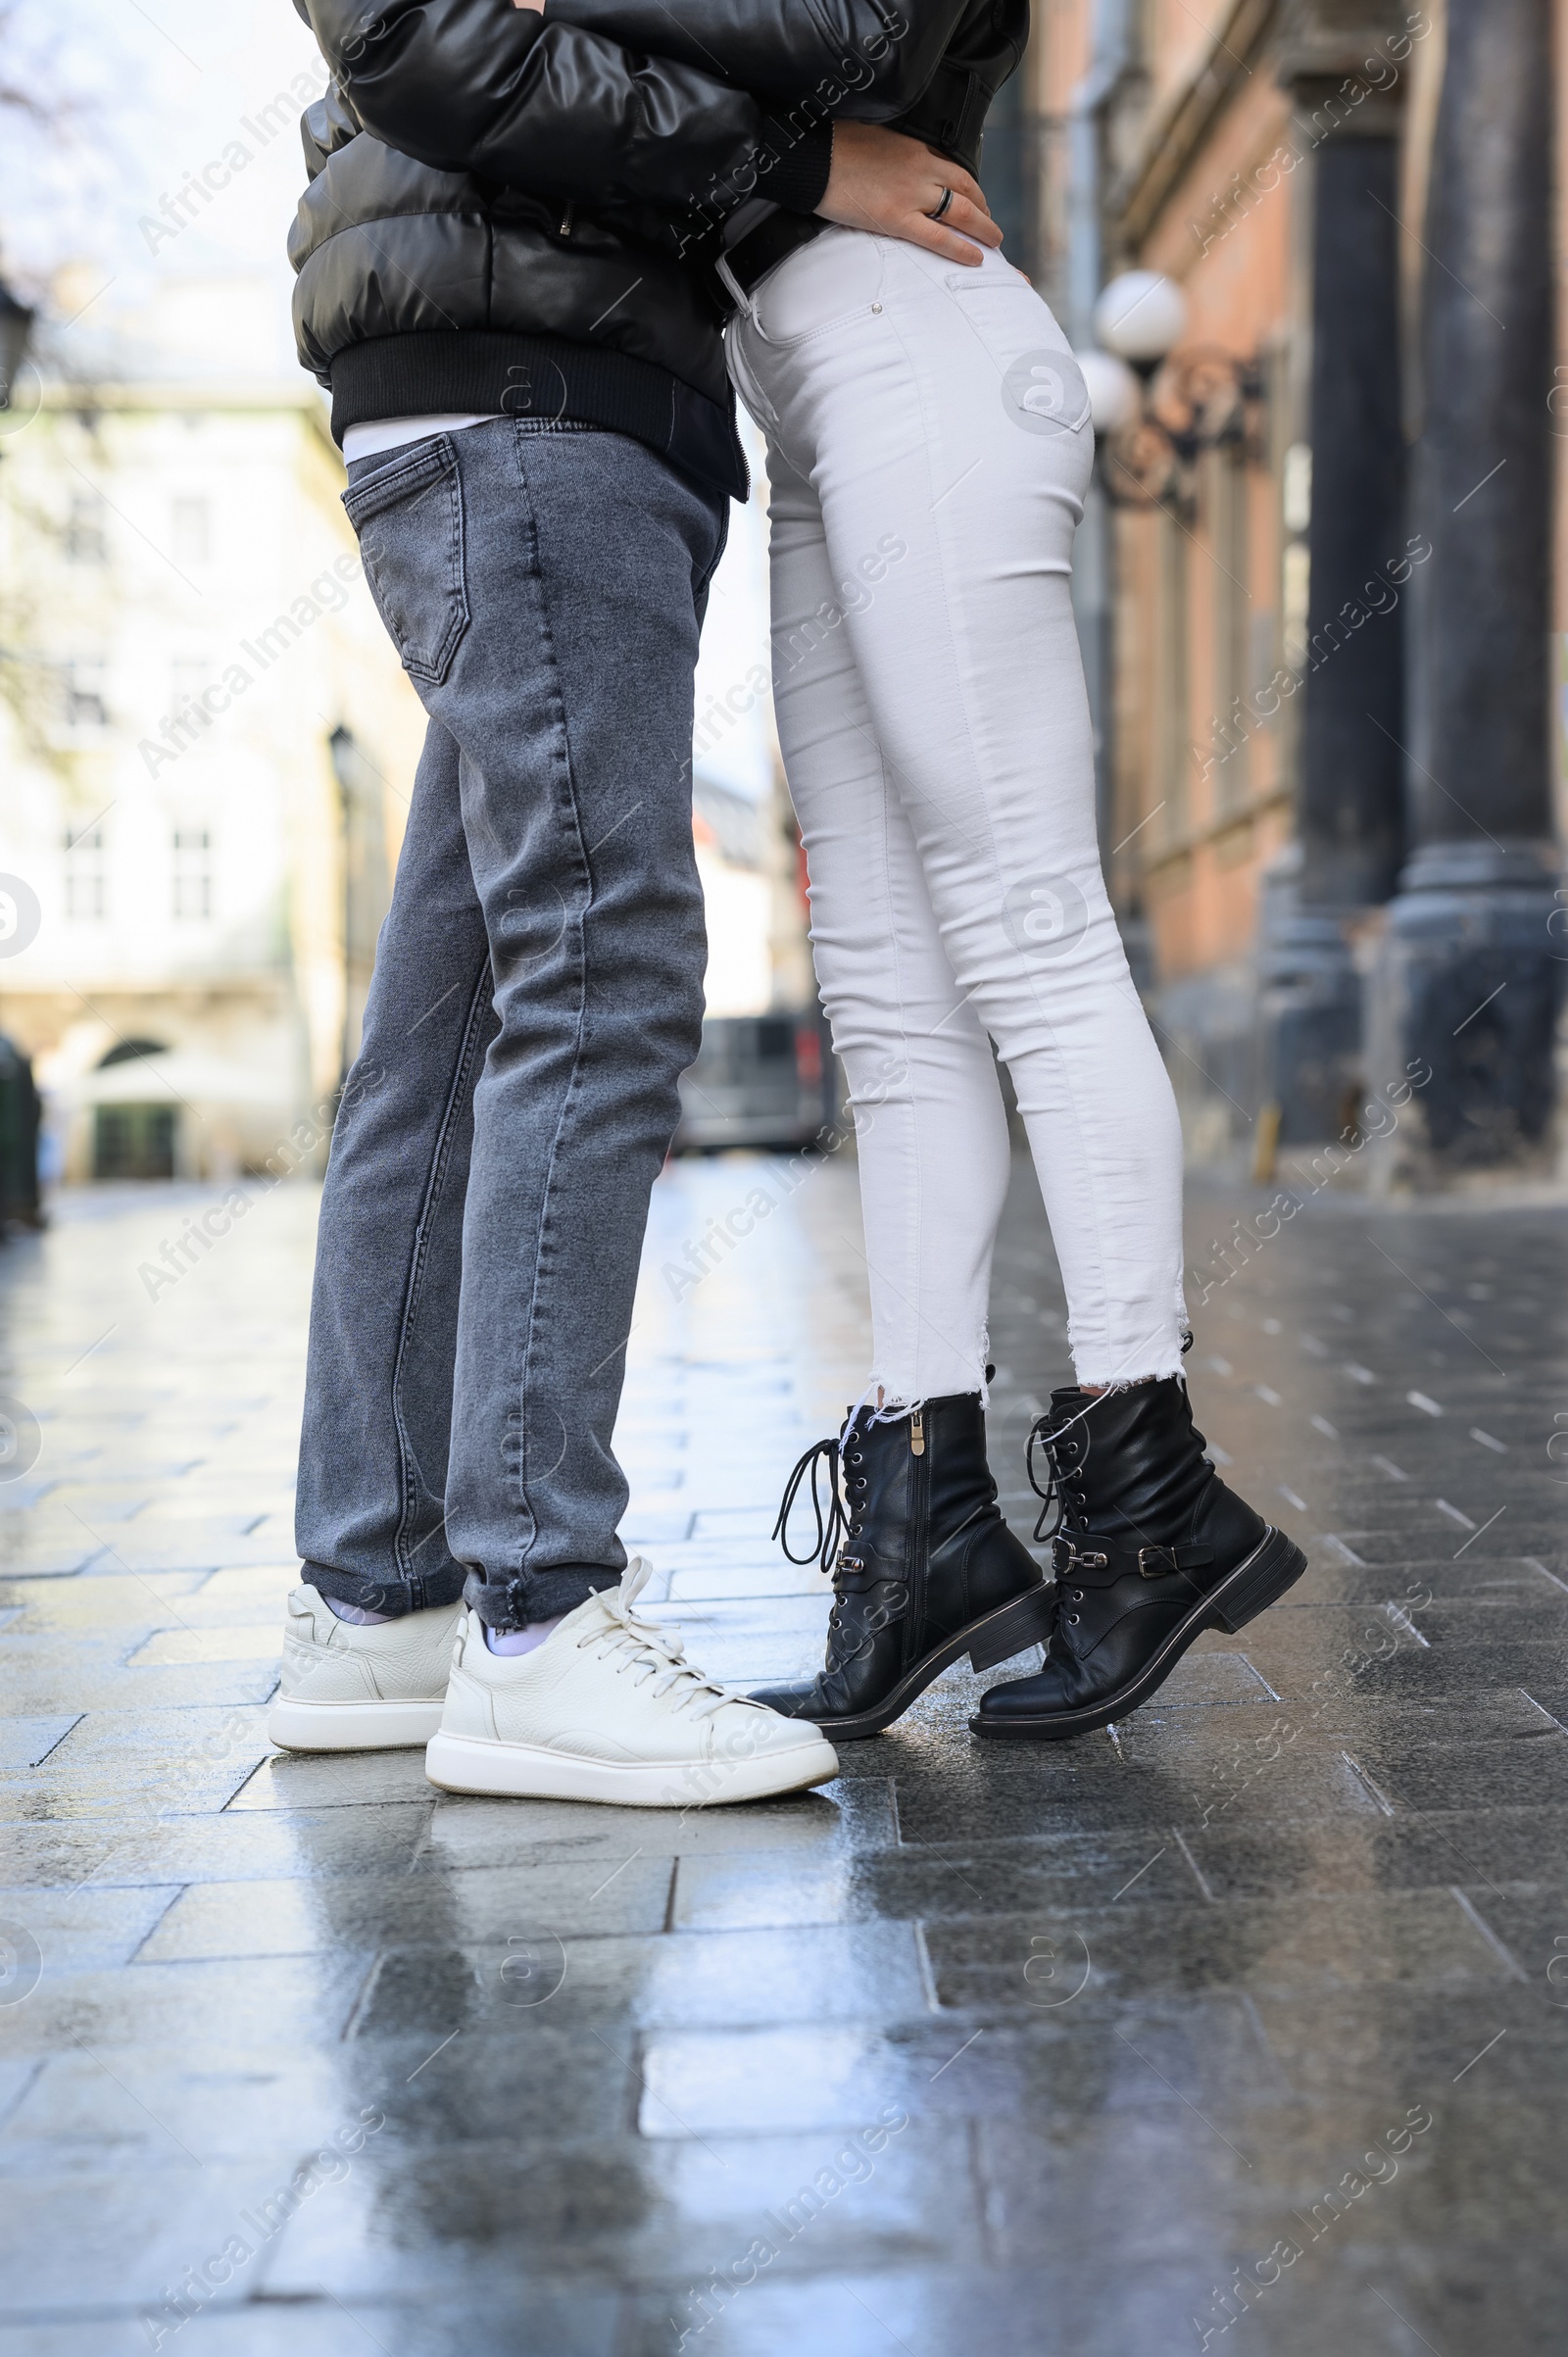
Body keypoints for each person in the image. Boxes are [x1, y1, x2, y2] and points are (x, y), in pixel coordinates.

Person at [533, 0, 1308, 1743]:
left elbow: (859, 21)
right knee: (884, 988)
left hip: (921, 345)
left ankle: (1147, 1492)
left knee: (1028, 928)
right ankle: (927, 1517)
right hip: (806, 372)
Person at [267, 0, 973, 1803]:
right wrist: (807, 158)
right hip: (528, 395)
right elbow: (425, 39)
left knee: (461, 1013)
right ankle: (535, 1618)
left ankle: (385, 1600)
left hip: (532, 378)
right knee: (605, 971)